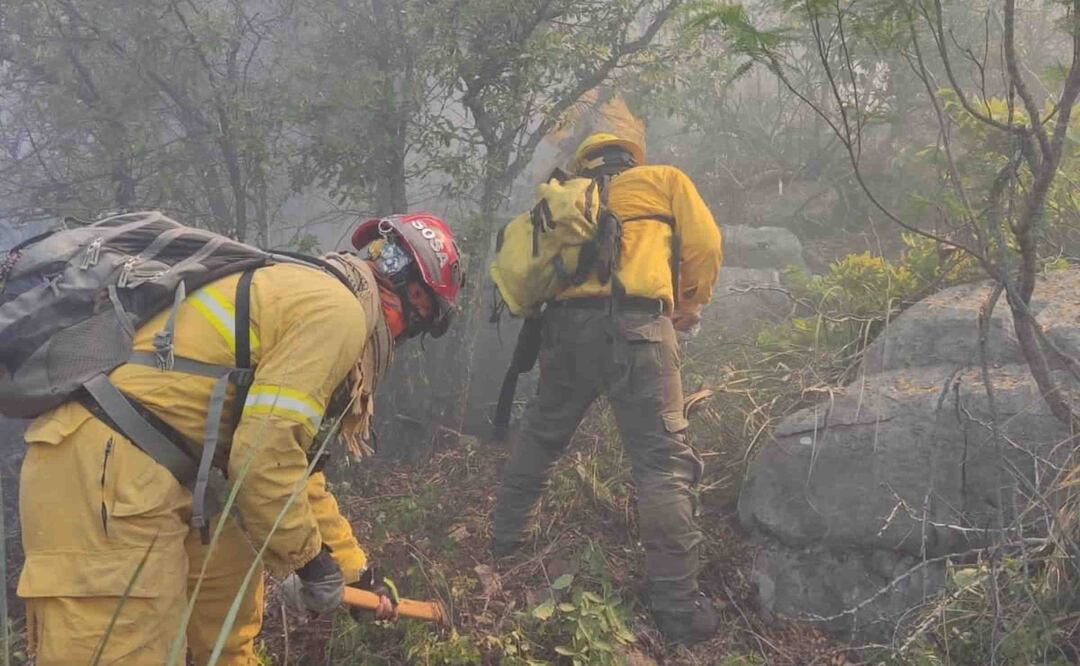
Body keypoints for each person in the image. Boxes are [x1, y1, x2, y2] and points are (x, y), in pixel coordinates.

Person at [17, 213, 463, 664]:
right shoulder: (338, 312)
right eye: (420, 324)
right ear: (416, 299)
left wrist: (352, 571)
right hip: (107, 474)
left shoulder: (307, 289)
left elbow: (295, 468)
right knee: (122, 652)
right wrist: (308, 562)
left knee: (228, 636)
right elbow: (263, 461)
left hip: (165, 471)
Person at [491, 133, 723, 645]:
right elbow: (705, 244)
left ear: (585, 162)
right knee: (662, 464)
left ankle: (505, 545)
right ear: (630, 156)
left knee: (540, 439)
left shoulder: (564, 196)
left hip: (565, 332)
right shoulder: (664, 180)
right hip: (639, 328)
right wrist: (688, 303)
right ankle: (677, 609)